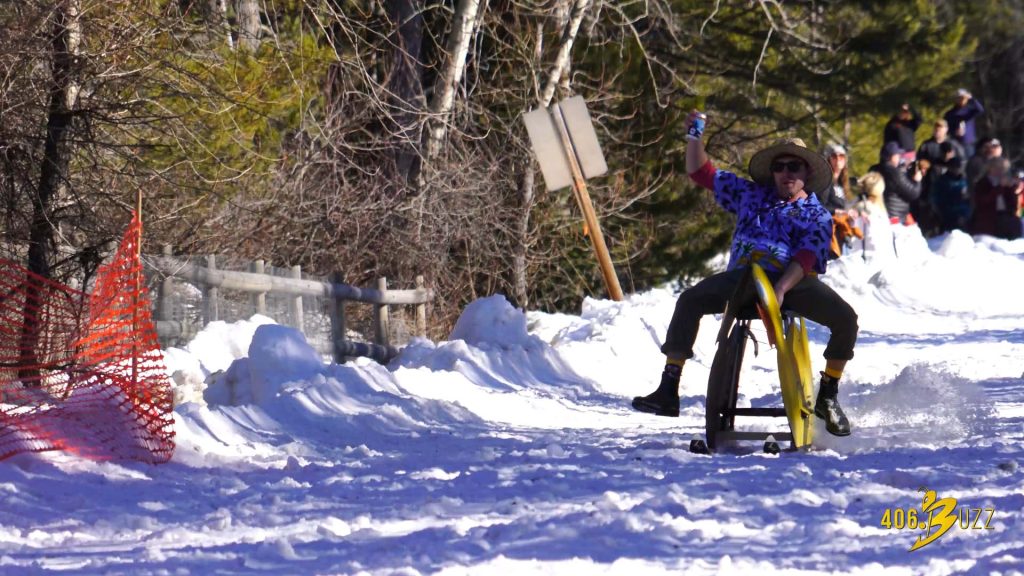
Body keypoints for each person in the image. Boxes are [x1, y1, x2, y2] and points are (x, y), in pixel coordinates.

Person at [631, 111, 858, 437]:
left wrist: (781, 289)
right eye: (780, 166)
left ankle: (829, 395)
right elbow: (701, 172)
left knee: (846, 319)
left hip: (791, 282)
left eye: (794, 167)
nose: (786, 173)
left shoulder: (817, 215)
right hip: (742, 279)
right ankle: (669, 388)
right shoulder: (751, 194)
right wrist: (694, 135)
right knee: (690, 300)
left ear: (806, 172)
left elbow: (807, 256)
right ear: (772, 172)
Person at [970, 157, 1023, 239]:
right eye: (1000, 168)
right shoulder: (983, 182)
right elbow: (983, 201)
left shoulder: (1006, 181)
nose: (1002, 171)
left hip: (1006, 215)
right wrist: (999, 187)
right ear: (991, 168)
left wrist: (1013, 188)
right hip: (988, 217)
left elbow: (1013, 202)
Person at [872, 141, 922, 225]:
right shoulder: (895, 173)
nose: (900, 157)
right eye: (897, 155)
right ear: (891, 157)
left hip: (878, 215)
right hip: (895, 218)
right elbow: (913, 193)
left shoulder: (873, 169)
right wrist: (917, 181)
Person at [930, 157, 970, 233]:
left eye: (959, 167)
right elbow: (936, 200)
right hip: (948, 216)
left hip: (964, 215)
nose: (958, 170)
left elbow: (968, 199)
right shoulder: (942, 181)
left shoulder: (964, 180)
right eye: (955, 167)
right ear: (950, 168)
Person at [944, 89, 985, 158]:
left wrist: (972, 98)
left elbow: (980, 110)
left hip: (969, 143)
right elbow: (946, 128)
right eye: (959, 98)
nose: (962, 100)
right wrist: (954, 132)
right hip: (955, 143)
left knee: (970, 162)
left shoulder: (969, 110)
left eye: (963, 98)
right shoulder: (950, 113)